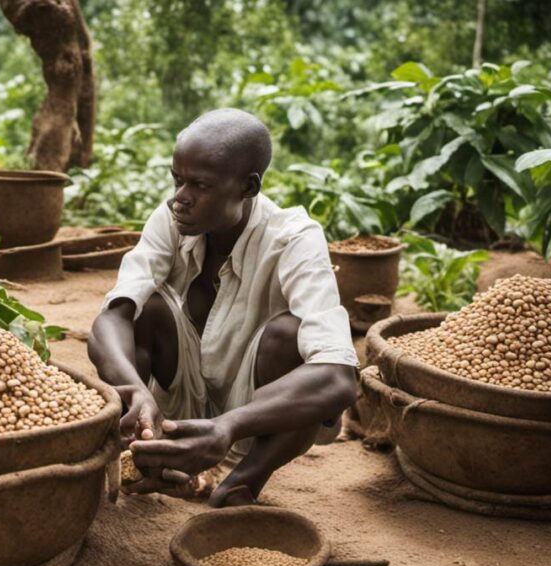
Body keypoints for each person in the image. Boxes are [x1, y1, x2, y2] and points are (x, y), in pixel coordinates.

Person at [87, 108, 359, 508]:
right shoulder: (172, 217)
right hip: (181, 400)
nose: (180, 197)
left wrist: (226, 426)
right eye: (177, 180)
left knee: (291, 336)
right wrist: (135, 392)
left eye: (200, 185)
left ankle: (241, 481)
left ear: (248, 187)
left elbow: (339, 379)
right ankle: (142, 451)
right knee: (142, 309)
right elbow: (108, 322)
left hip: (259, 413)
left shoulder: (294, 238)